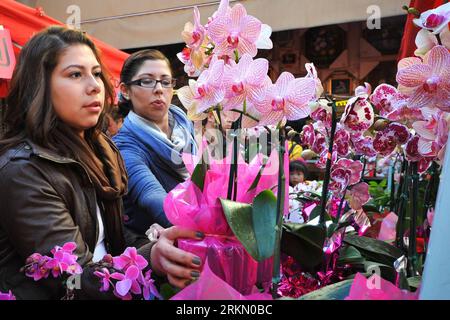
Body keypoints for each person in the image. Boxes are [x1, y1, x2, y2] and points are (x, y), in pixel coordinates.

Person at [0, 26, 202, 299]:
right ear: (40, 85)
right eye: (75, 74)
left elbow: (112, 240)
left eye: (96, 73)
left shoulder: (101, 149)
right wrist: (153, 256)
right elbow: (73, 279)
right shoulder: (23, 171)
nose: (95, 86)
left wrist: (157, 250)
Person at [113, 50, 197, 234]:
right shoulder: (124, 145)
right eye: (147, 81)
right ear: (126, 91)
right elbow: (151, 195)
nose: (159, 89)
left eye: (165, 82)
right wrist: (205, 225)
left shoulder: (186, 125)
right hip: (156, 250)